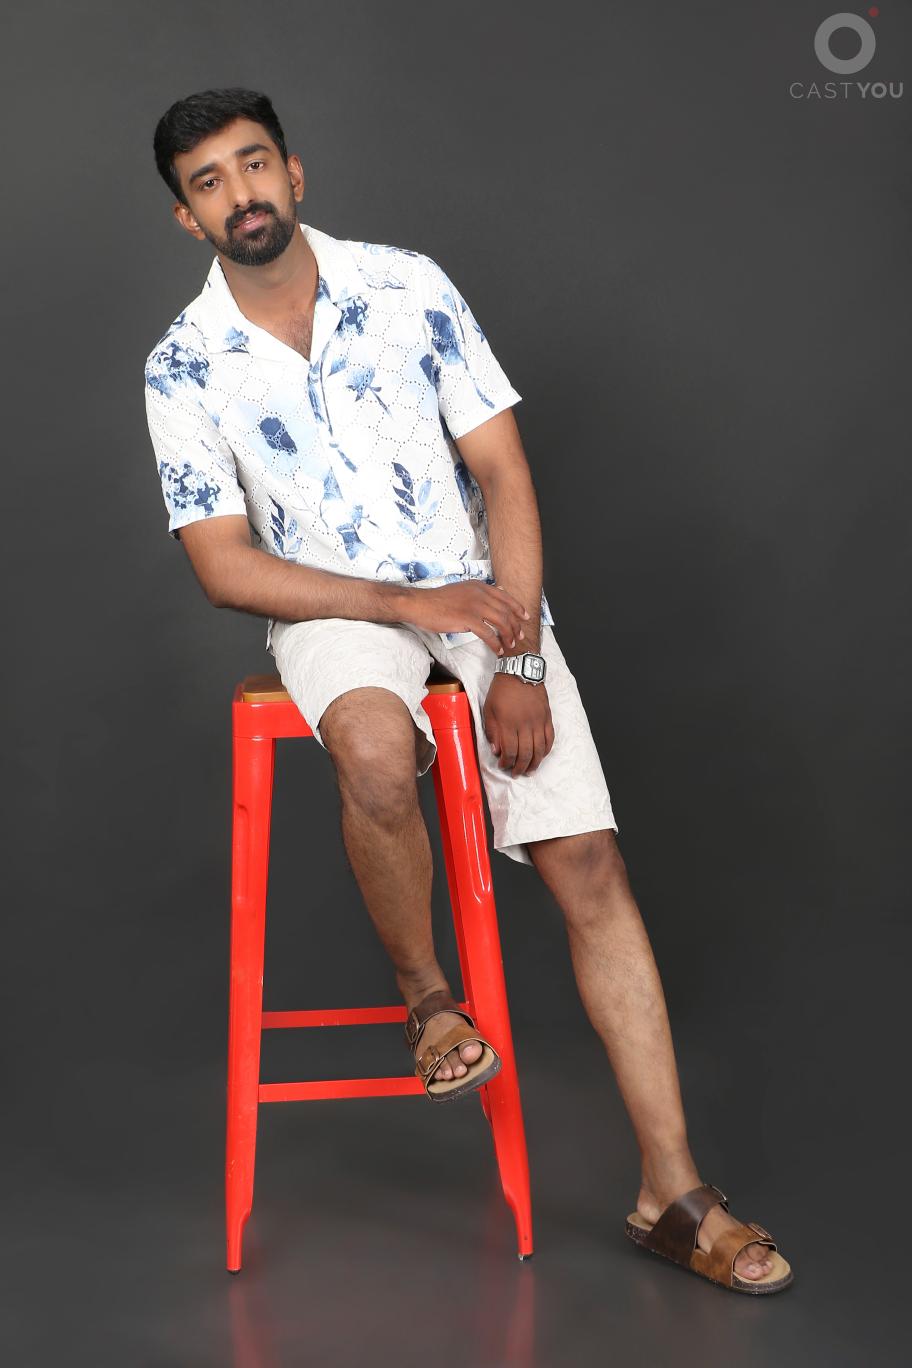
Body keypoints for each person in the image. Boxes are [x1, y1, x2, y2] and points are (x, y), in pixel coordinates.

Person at [144, 86, 793, 1294]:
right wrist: (402, 608)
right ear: (188, 218)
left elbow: (500, 468)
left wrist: (521, 657)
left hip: (484, 598)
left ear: (295, 170)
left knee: (588, 863)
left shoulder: (409, 286)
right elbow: (224, 567)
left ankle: (673, 1194)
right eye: (209, 183)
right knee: (375, 746)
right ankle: (427, 999)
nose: (241, 195)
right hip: (335, 612)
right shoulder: (182, 365)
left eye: (253, 164)